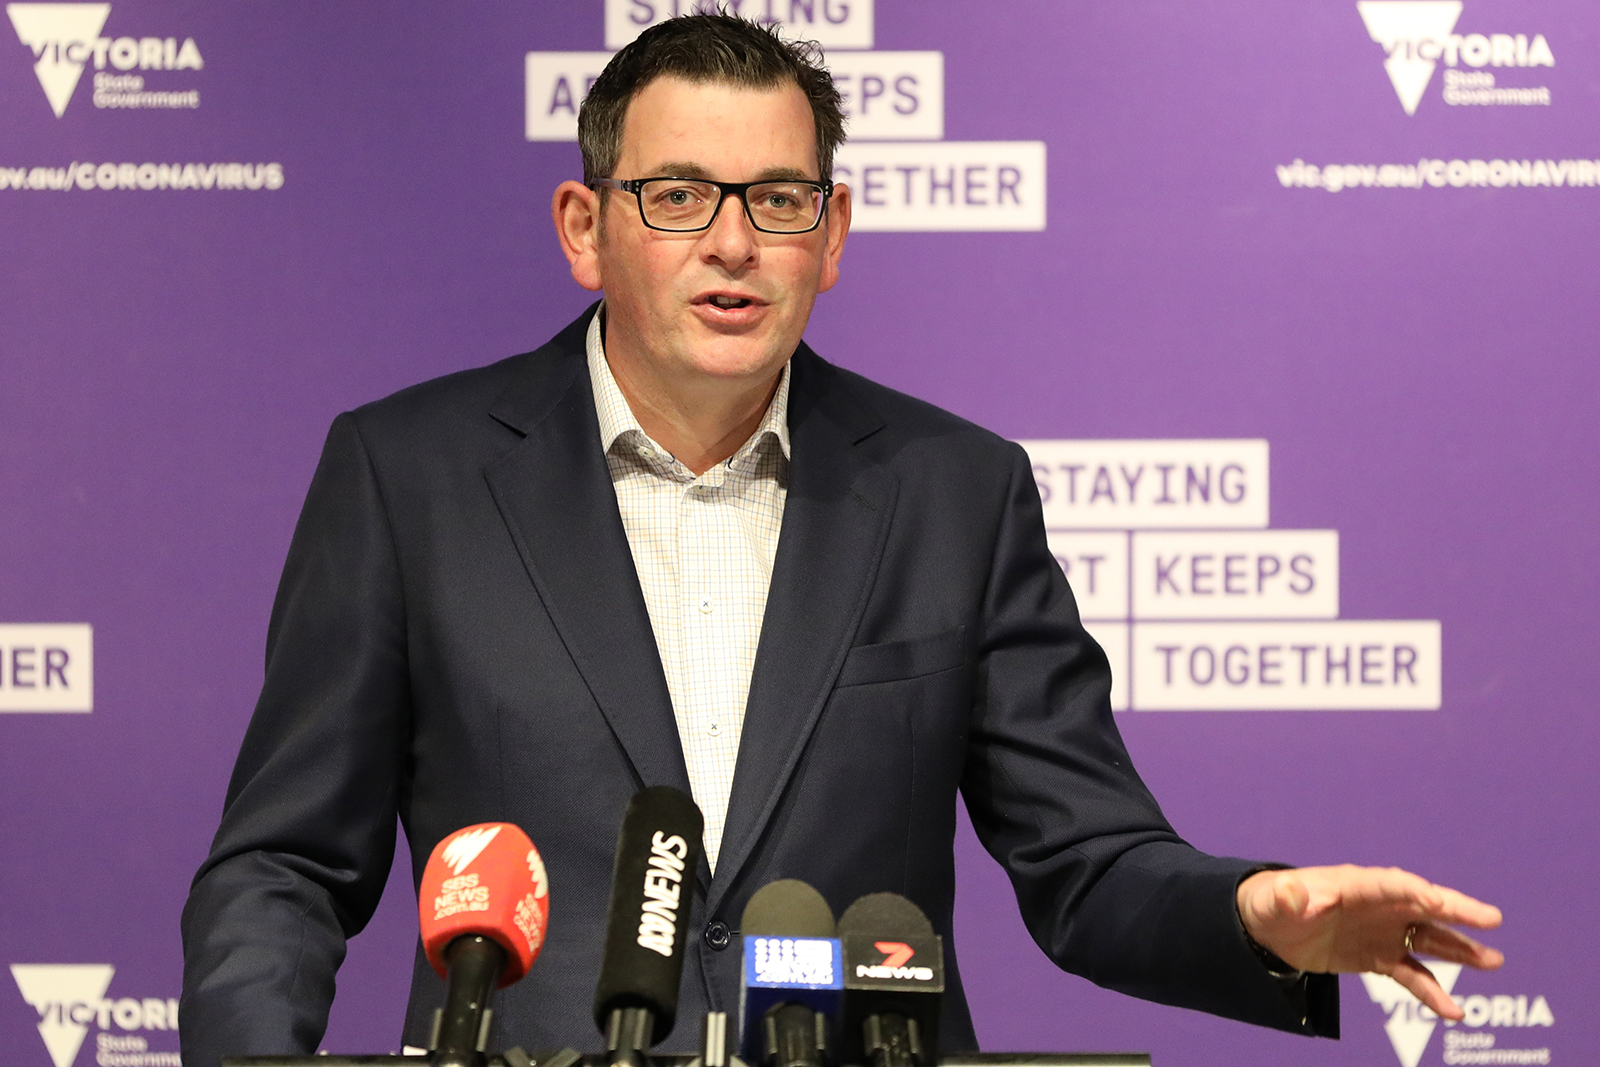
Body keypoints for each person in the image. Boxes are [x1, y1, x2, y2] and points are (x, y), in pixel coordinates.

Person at [179, 15, 1502, 1067]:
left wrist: (1253, 917)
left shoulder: (954, 492)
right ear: (587, 231)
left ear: (836, 232)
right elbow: (286, 864)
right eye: (679, 196)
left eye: (779, 200)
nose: (735, 245)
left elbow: (1088, 866)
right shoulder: (409, 474)